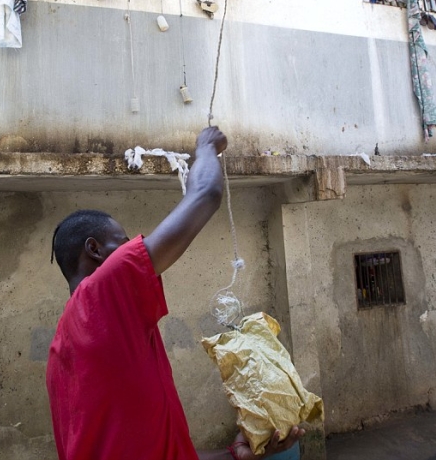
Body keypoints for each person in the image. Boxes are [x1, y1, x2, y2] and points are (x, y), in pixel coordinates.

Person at [46, 126, 305, 460]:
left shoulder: (62, 353)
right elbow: (206, 193)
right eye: (123, 243)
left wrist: (235, 455)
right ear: (95, 250)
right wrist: (207, 146)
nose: (133, 249)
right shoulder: (100, 294)